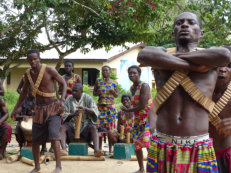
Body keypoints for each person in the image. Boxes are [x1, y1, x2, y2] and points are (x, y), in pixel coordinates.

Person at [137, 12, 231, 172]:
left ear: (201, 33)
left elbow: (225, 55)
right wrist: (194, 67)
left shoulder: (214, 54)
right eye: (180, 22)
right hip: (162, 143)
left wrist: (170, 62)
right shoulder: (159, 52)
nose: (185, 25)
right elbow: (143, 55)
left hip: (198, 146)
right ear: (173, 32)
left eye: (191, 22)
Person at [11, 49, 66, 173]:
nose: (33, 61)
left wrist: (62, 99)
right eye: (30, 59)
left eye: (35, 58)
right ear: (28, 61)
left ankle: (58, 167)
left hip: (53, 108)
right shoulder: (28, 75)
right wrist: (15, 109)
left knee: (54, 137)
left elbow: (63, 83)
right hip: (39, 109)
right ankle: (37, 167)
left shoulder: (49, 70)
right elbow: (23, 93)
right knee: (35, 140)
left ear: (39, 58)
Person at [121, 65, 153, 173]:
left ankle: (152, 169)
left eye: (134, 73)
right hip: (138, 119)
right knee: (137, 145)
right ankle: (141, 169)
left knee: (148, 144)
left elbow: (143, 105)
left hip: (147, 119)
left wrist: (127, 110)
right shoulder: (132, 88)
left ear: (139, 74)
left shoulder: (145, 86)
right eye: (130, 73)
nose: (132, 75)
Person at [60, 83, 103, 157]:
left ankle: (96, 150)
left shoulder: (87, 98)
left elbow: (95, 111)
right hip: (72, 127)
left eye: (76, 91)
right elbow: (64, 115)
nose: (73, 92)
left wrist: (85, 109)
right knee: (63, 127)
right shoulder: (69, 98)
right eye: (72, 91)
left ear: (81, 91)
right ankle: (64, 149)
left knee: (93, 127)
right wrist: (73, 114)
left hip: (85, 126)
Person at [209, 48, 231, 173]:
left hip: (227, 154)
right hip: (201, 156)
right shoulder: (198, 91)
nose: (223, 69)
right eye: (219, 65)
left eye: (229, 66)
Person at [93, 65, 118, 154]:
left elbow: (117, 95)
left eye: (106, 71)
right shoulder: (98, 81)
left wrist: (113, 92)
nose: (105, 72)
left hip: (110, 109)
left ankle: (110, 149)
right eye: (103, 71)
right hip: (100, 108)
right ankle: (100, 149)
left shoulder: (114, 82)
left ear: (110, 72)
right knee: (100, 128)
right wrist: (97, 92)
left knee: (110, 129)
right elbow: (94, 93)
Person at [15, 86, 47, 154]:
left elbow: (43, 114)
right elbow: (16, 115)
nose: (33, 93)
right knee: (17, 131)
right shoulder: (22, 101)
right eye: (32, 91)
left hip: (36, 121)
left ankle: (43, 148)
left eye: (35, 92)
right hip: (24, 121)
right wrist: (23, 116)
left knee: (44, 126)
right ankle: (21, 148)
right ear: (28, 92)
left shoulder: (39, 101)